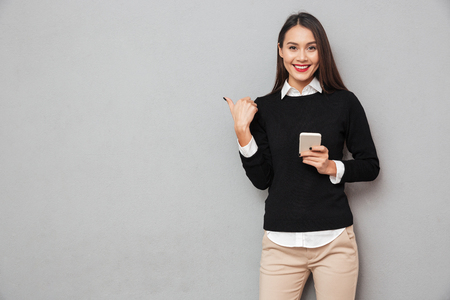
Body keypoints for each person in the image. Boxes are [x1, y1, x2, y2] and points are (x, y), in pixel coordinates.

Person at [223, 12, 379, 300]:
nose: (302, 56)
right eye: (293, 47)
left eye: (311, 47)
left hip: (334, 242)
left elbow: (371, 166)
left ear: (322, 51)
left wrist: (332, 166)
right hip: (280, 245)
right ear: (280, 50)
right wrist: (242, 131)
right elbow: (262, 180)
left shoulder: (344, 102)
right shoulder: (264, 108)